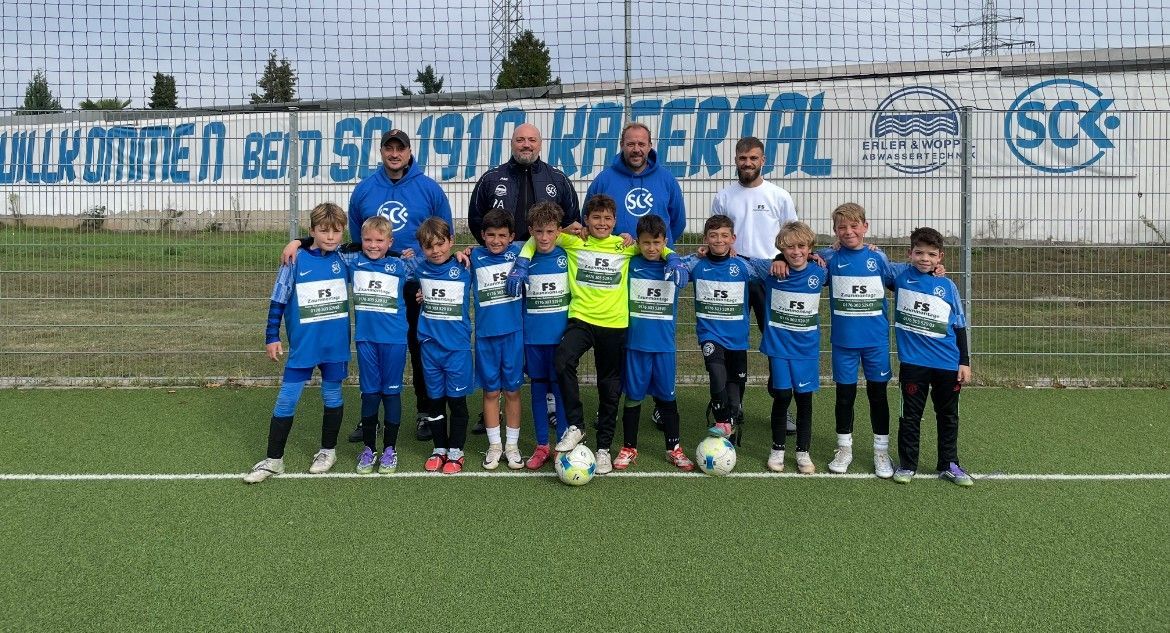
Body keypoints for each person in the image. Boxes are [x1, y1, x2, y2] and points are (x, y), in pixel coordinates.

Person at [282, 129, 452, 444]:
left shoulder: (429, 189)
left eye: (400, 148)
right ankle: (368, 417)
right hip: (374, 285)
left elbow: (444, 234)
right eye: (389, 148)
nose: (394, 154)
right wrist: (301, 241)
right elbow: (342, 239)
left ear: (409, 151)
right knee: (370, 346)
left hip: (416, 283)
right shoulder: (364, 190)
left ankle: (425, 412)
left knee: (420, 348)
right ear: (382, 151)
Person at [505, 193, 687, 474]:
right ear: (586, 220)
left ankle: (603, 449)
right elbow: (537, 238)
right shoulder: (575, 241)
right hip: (581, 319)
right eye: (596, 218)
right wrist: (521, 264)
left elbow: (655, 245)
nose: (602, 223)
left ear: (615, 221)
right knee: (562, 361)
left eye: (607, 218)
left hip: (614, 325)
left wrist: (672, 257)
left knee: (609, 388)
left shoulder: (624, 245)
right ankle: (576, 425)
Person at [467, 122, 580, 433]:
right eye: (520, 140)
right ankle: (493, 407)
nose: (526, 145)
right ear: (512, 143)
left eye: (531, 140)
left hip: (545, 269)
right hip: (505, 270)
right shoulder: (492, 179)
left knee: (544, 334)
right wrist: (494, 252)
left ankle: (551, 403)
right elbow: (477, 221)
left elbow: (571, 222)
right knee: (507, 332)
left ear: (540, 144)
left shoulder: (557, 179)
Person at [244, 203, 351, 484]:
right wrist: (271, 335)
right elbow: (278, 300)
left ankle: (328, 452)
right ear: (312, 230)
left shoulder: (346, 257)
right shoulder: (295, 260)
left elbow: (378, 253)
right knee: (286, 399)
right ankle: (274, 461)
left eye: (336, 231)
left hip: (335, 345)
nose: (330, 236)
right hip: (304, 345)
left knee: (332, 396)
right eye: (324, 231)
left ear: (343, 232)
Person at [712, 136, 799, 434]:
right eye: (742, 158)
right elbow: (718, 235)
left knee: (776, 341)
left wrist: (781, 257)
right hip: (734, 275)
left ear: (763, 161)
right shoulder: (724, 196)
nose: (747, 163)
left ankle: (782, 406)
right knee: (732, 340)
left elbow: (793, 236)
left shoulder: (779, 196)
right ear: (736, 160)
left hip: (771, 274)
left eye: (753, 158)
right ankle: (733, 406)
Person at [887, 227, 973, 486]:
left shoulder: (947, 285)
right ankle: (907, 465)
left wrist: (964, 361)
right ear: (910, 253)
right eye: (919, 253)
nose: (925, 258)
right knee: (910, 416)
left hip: (947, 362)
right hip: (914, 363)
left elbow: (959, 324)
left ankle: (949, 464)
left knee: (948, 416)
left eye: (931, 254)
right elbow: (874, 263)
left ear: (940, 257)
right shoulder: (900, 276)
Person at [817, 203, 896, 478]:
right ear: (835, 231)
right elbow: (801, 258)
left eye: (854, 226)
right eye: (842, 227)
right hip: (844, 342)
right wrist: (782, 257)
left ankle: (881, 452)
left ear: (865, 226)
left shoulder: (879, 257)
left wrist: (936, 270)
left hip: (875, 342)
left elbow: (901, 278)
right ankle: (844, 449)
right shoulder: (829, 258)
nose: (848, 231)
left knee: (878, 396)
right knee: (844, 397)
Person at [614, 214, 695, 472]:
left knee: (667, 398)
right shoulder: (629, 263)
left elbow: (704, 260)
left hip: (663, 347)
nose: (651, 248)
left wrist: (676, 258)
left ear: (665, 242)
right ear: (638, 242)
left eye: (657, 243)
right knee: (633, 397)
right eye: (646, 242)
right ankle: (629, 447)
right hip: (635, 345)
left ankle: (674, 448)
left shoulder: (676, 266)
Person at [346, 216, 415, 474]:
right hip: (366, 339)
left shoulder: (400, 265)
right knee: (370, 393)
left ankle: (389, 449)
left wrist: (461, 255)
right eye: (368, 240)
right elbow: (329, 249)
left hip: (394, 340)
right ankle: (368, 449)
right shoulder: (354, 262)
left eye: (379, 240)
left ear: (390, 242)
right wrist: (297, 242)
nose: (373, 245)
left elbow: (431, 265)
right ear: (360, 240)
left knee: (391, 393)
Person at [688, 214, 765, 444]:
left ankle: (731, 419)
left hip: (737, 337)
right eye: (713, 236)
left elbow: (773, 268)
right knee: (716, 370)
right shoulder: (696, 263)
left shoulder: (744, 266)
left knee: (735, 383)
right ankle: (721, 419)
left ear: (733, 238)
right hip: (710, 334)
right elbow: (672, 262)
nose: (719, 240)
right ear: (705, 238)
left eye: (724, 235)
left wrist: (787, 258)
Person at [759, 221, 827, 474]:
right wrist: (776, 259)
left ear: (810, 248)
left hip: (806, 350)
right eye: (789, 248)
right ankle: (777, 449)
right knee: (783, 397)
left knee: (804, 400)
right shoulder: (771, 271)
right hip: (779, 348)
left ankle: (803, 452)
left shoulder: (821, 271)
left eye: (801, 246)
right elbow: (743, 261)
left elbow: (844, 255)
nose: (796, 252)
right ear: (781, 249)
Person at [410, 217, 475, 474]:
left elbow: (495, 250)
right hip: (430, 348)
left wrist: (467, 251)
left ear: (451, 241)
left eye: (440, 244)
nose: (435, 250)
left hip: (457, 349)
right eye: (429, 246)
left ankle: (456, 451)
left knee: (457, 402)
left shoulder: (464, 267)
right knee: (435, 401)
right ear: (422, 248)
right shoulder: (419, 270)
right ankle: (439, 448)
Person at [516, 201, 571, 470]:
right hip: (533, 339)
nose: (545, 238)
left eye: (550, 231)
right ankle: (541, 445)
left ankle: (561, 444)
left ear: (559, 231)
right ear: (530, 231)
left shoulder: (568, 254)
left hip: (561, 338)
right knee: (538, 390)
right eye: (539, 232)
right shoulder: (521, 258)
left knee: (561, 391)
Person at [468, 209, 525, 470]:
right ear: (482, 235)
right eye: (490, 235)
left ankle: (512, 446)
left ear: (512, 237)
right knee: (491, 391)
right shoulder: (474, 257)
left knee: (512, 391)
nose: (496, 240)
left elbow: (547, 239)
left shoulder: (521, 253)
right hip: (486, 337)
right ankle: (494, 446)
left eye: (502, 235)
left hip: (513, 335)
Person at [586, 122, 686, 246]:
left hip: (655, 255)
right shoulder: (603, 180)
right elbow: (588, 218)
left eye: (641, 144)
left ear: (649, 146)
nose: (636, 150)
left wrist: (654, 246)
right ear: (622, 145)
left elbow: (678, 222)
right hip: (615, 254)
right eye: (631, 144)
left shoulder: (667, 179)